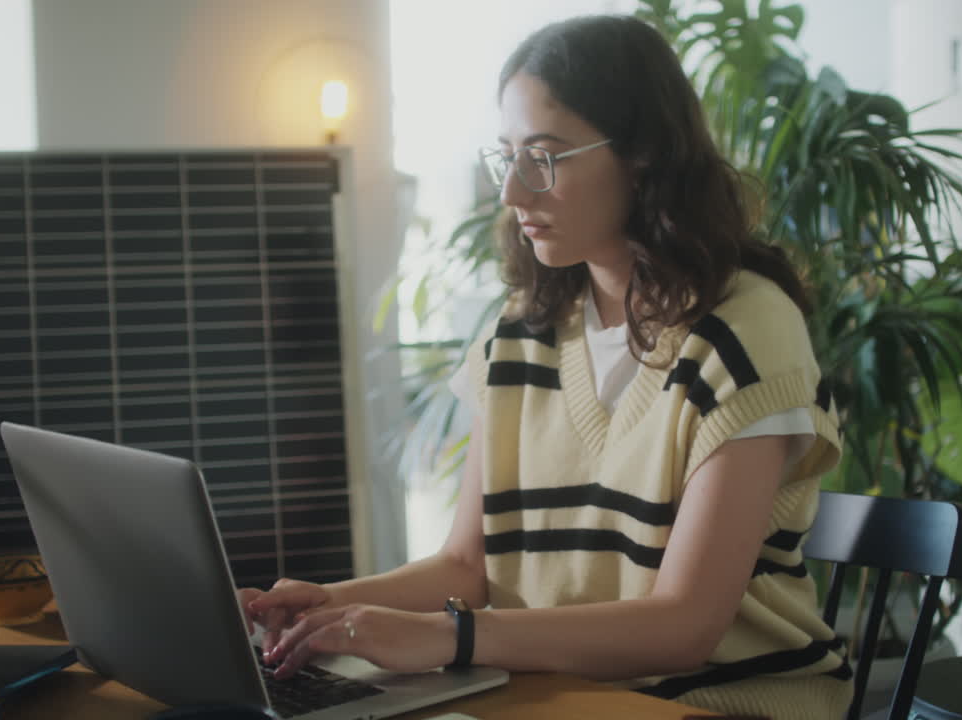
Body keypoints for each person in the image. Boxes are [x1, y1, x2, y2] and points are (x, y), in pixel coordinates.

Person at [240, 14, 851, 719]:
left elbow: (686, 627)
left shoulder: (746, 331)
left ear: (643, 152)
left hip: (730, 703)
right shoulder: (518, 337)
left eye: (544, 157)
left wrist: (449, 637)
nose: (513, 194)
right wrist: (323, 608)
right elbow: (468, 568)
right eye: (508, 157)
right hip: (563, 697)